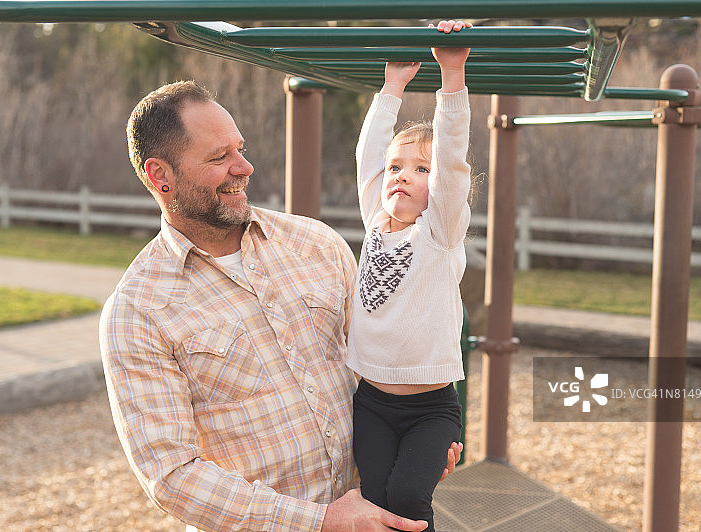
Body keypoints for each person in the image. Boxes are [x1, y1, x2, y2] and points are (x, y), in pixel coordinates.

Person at [100, 70, 462, 531]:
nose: (244, 167)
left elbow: (376, 360)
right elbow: (172, 476)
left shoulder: (315, 244)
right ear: (160, 176)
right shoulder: (137, 311)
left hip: (374, 515)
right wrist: (320, 521)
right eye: (219, 156)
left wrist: (415, 448)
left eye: (240, 149)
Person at [344, 19, 473, 532]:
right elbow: (368, 156)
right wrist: (391, 88)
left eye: (421, 169)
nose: (401, 175)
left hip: (431, 409)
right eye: (398, 167)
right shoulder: (376, 220)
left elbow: (454, 161)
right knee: (375, 499)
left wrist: (452, 77)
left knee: (407, 495)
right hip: (371, 401)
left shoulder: (439, 235)